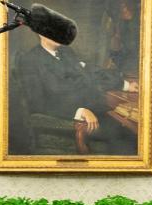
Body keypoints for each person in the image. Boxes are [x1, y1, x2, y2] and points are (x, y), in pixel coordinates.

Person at [9, 32, 138, 155]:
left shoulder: (66, 52)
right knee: (124, 133)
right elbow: (36, 103)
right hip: (67, 118)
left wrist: (125, 85)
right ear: (40, 33)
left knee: (129, 126)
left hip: (94, 109)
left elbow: (90, 73)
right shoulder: (30, 60)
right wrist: (79, 111)